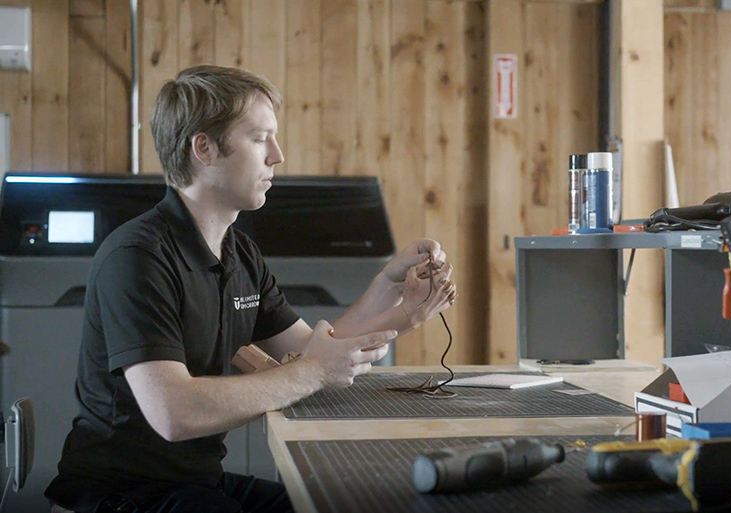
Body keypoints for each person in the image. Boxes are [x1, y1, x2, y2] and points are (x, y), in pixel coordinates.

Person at [44, 65, 457, 513]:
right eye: (260, 138)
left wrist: (397, 299)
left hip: (197, 482)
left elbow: (310, 350)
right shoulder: (138, 256)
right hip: (118, 495)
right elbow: (174, 413)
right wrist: (313, 372)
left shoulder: (239, 253)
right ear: (204, 148)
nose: (277, 155)